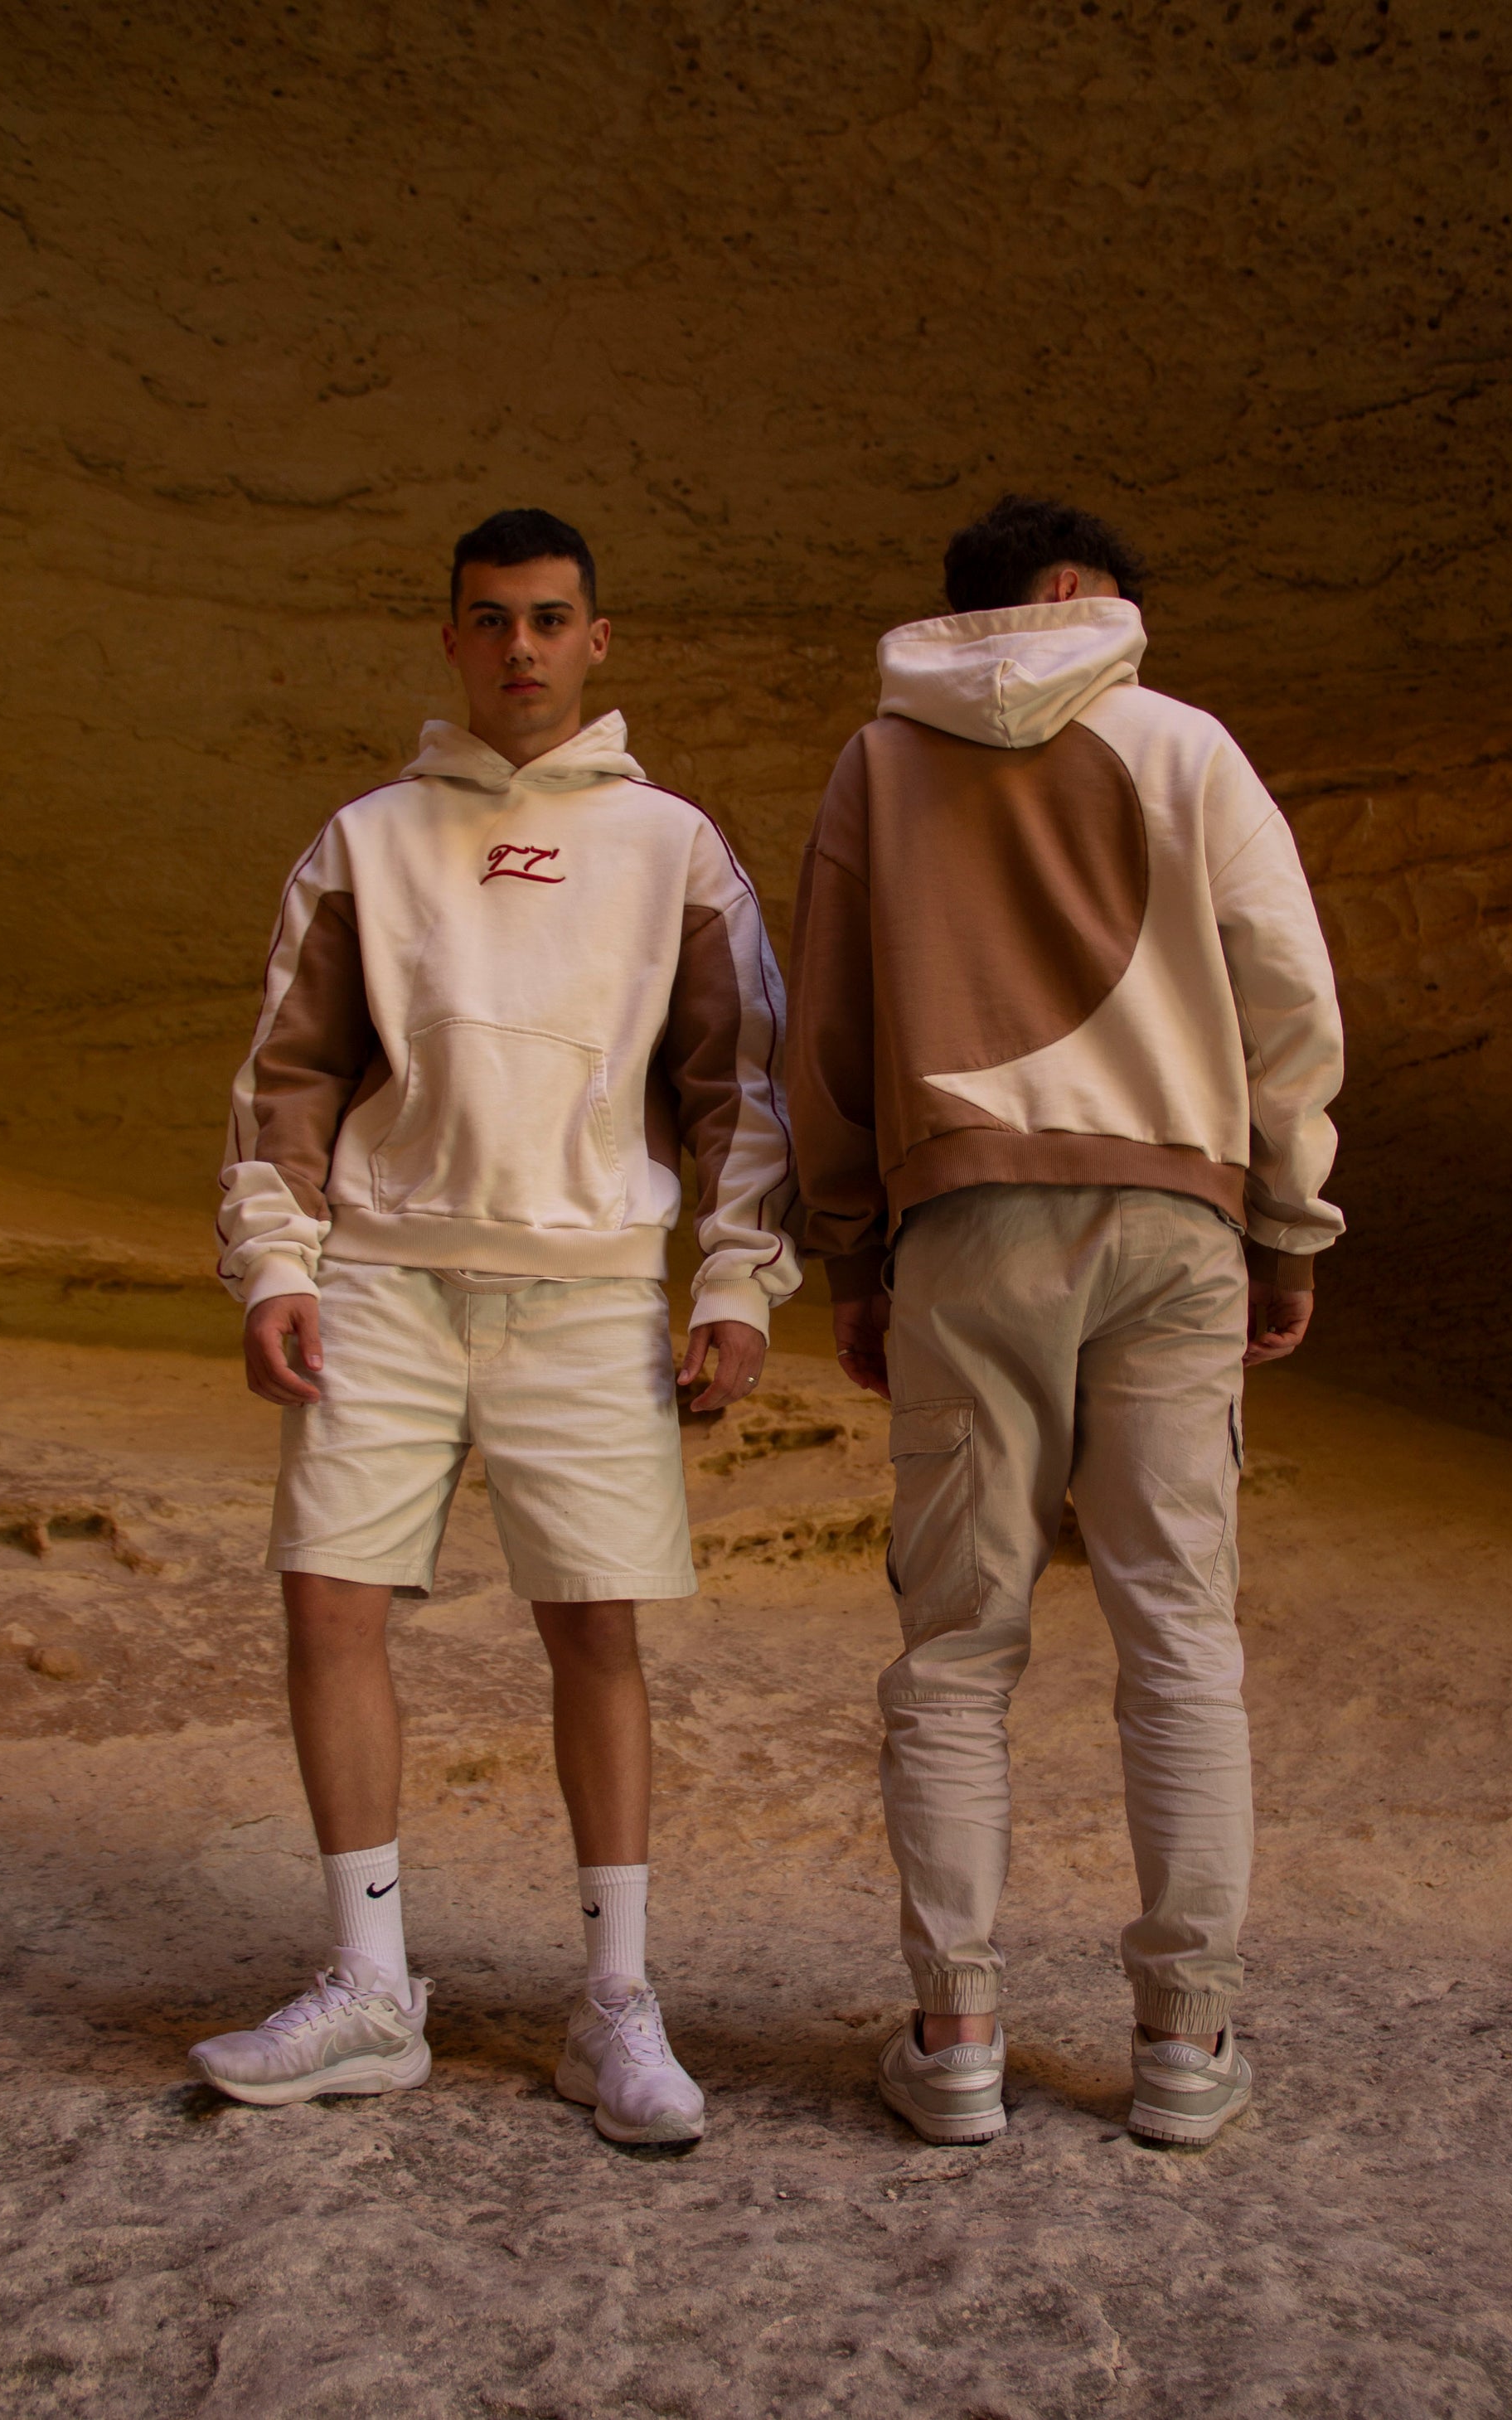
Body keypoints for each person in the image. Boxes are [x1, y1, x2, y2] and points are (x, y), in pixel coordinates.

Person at [192, 507, 797, 2141]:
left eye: (548, 617)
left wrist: (733, 1282)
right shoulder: (367, 839)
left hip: (591, 1283)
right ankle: (369, 1989)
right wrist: (280, 1265)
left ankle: (614, 2005)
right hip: (384, 1276)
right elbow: (291, 1072)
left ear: (597, 639)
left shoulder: (671, 845)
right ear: (451, 637)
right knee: (330, 1600)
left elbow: (735, 1082)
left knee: (594, 1627)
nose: (519, 647)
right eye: (489, 618)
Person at [787, 493, 1344, 2148]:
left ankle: (956, 2037)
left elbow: (828, 1033)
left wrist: (852, 1254)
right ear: (1089, 594)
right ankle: (1184, 2041)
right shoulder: (1186, 744)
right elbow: (1285, 992)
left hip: (964, 1228)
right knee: (1176, 1636)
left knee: (956, 1651)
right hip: (1176, 1219)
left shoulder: (879, 763)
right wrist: (1287, 1222)